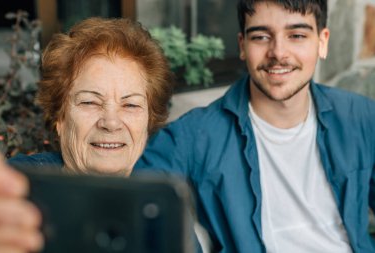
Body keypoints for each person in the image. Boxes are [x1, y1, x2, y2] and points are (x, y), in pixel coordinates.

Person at [135, 0, 375, 252]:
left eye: (297, 35)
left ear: (322, 42)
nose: (278, 53)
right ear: (242, 46)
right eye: (261, 37)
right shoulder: (197, 133)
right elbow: (140, 195)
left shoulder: (361, 116)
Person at [0, 17, 173, 253]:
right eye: (90, 102)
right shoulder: (16, 196)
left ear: (148, 121)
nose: (111, 122)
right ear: (59, 117)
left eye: (130, 105)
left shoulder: (162, 207)